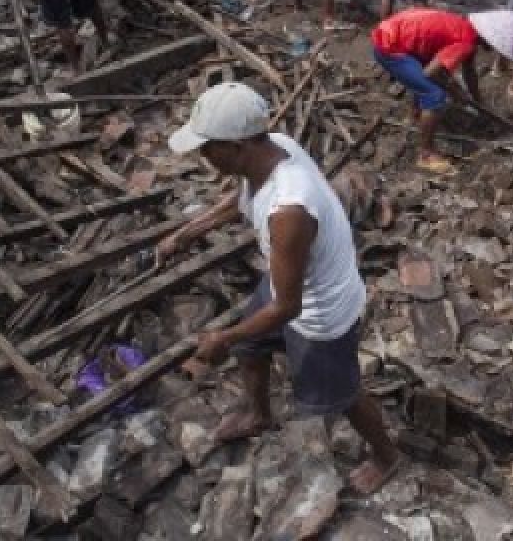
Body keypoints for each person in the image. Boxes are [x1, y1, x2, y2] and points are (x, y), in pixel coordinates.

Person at [156, 82, 401, 496]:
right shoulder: (273, 147)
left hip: (319, 311)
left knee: (343, 395)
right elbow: (241, 197)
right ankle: (258, 414)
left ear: (237, 147)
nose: (202, 157)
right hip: (290, 286)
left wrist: (222, 336)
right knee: (250, 349)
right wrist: (187, 233)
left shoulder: (289, 211)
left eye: (207, 148)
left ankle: (386, 456)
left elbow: (288, 307)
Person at [371, 7, 513, 175]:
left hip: (394, 35)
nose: (492, 49)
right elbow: (430, 73)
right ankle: (426, 155)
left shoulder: (465, 28)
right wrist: (454, 89)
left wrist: (478, 102)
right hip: (389, 46)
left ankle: (415, 115)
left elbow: (469, 72)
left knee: (426, 76)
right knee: (435, 94)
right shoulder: (465, 41)